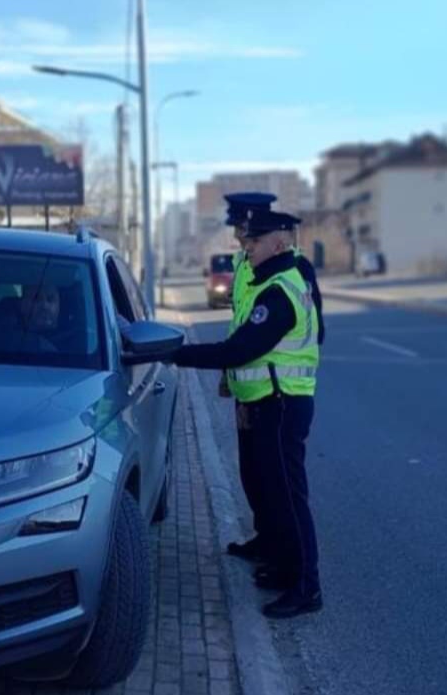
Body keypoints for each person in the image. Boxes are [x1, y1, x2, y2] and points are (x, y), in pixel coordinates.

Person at [167, 209, 322, 619]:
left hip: (282, 403)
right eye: (247, 240)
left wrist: (173, 353)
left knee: (289, 497)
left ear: (280, 241)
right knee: (272, 493)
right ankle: (286, 568)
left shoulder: (280, 292)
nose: (245, 247)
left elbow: (238, 349)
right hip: (266, 399)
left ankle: (307, 587)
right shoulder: (271, 281)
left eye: (254, 241)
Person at [219, 192, 276, 566]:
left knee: (274, 482)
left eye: (244, 230)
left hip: (274, 391)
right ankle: (263, 538)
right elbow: (238, 323)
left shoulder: (293, 268)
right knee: (252, 475)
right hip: (246, 387)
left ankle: (278, 550)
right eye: (238, 231)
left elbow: (309, 332)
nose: (239, 238)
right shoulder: (243, 264)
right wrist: (230, 378)